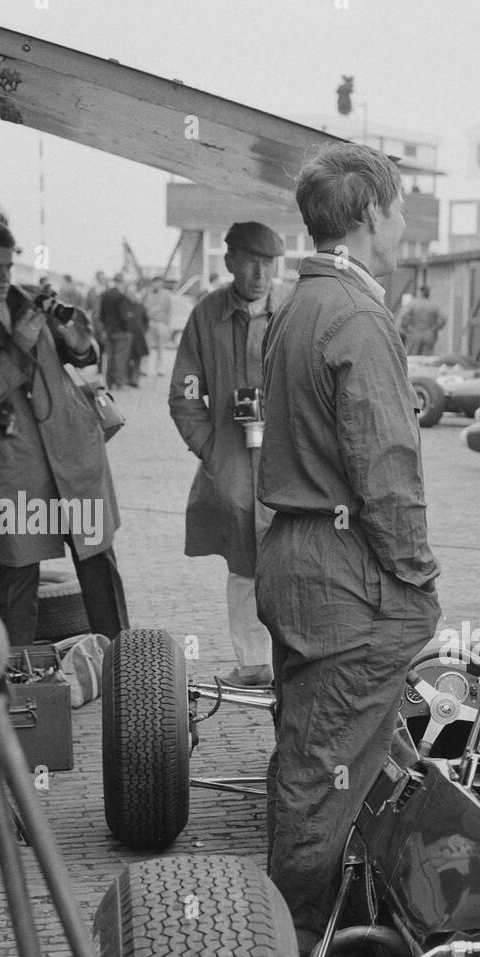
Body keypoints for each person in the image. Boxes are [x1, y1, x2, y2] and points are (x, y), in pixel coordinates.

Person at [256, 145, 440, 955]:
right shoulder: (359, 316)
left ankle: (302, 935)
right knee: (321, 773)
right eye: (399, 209)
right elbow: (385, 467)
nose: (404, 224)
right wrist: (415, 578)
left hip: (300, 555)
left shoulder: (303, 300)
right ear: (370, 215)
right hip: (342, 571)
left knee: (310, 752)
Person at [0, 216, 128, 645]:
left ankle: (124, 669)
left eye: (8, 266)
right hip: (15, 470)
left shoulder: (30, 300)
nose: (4, 277)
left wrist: (77, 337)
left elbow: (86, 356)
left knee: (98, 567)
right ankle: (18, 683)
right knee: (18, 577)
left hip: (72, 458)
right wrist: (19, 343)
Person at [170, 221, 288, 687]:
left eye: (269, 263)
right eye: (251, 261)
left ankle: (292, 658)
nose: (260, 273)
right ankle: (254, 663)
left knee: (291, 556)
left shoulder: (293, 309)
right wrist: (212, 450)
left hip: (286, 458)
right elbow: (184, 394)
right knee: (243, 560)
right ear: (231, 262)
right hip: (234, 462)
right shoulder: (207, 314)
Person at [99, 273, 138, 388]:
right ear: (121, 282)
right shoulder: (121, 297)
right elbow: (124, 316)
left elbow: (101, 314)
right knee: (120, 357)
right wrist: (127, 328)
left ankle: (109, 382)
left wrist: (105, 327)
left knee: (110, 357)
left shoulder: (105, 295)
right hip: (121, 331)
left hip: (109, 330)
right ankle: (119, 382)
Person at [398, 284, 446, 354]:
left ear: (420, 292)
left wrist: (406, 328)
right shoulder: (433, 305)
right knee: (427, 358)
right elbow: (443, 318)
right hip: (428, 333)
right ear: (429, 293)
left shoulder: (413, 304)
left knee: (413, 356)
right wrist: (435, 328)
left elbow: (403, 316)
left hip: (415, 333)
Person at [142, 275, 174, 377]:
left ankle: (160, 368)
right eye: (155, 282)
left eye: (159, 282)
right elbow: (143, 308)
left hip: (161, 322)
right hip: (150, 322)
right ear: (152, 283)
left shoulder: (166, 294)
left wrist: (167, 324)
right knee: (147, 346)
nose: (157, 284)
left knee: (161, 347)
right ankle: (144, 368)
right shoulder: (147, 293)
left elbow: (169, 310)